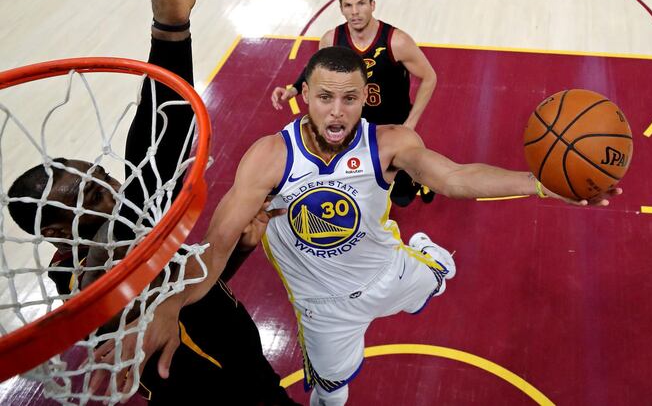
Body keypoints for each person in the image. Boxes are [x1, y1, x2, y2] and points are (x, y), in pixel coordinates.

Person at [121, 28, 620, 402]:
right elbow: (220, 242)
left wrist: (541, 185)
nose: (337, 112)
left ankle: (428, 259)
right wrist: (171, 306)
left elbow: (455, 178)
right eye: (324, 97)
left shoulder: (389, 142)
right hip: (325, 308)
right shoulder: (270, 158)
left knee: (431, 277)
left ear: (366, 96)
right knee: (331, 395)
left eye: (350, 98)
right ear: (304, 95)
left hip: (390, 271)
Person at [7, 0, 297, 405]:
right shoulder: (82, 276)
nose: (115, 187)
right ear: (55, 228)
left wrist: (239, 252)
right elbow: (154, 163)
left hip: (241, 357)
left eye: (101, 177)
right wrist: (171, 30)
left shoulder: (134, 227)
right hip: (215, 391)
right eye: (93, 196)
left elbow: (186, 287)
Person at [271, 0, 438, 207]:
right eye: (348, 6)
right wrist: (294, 89)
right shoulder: (332, 39)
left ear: (372, 4)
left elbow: (429, 77)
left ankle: (418, 180)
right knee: (361, 182)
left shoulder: (396, 41)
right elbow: (316, 71)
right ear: (341, 8)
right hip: (355, 125)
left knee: (402, 197)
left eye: (361, 4)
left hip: (393, 124)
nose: (355, 12)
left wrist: (410, 123)